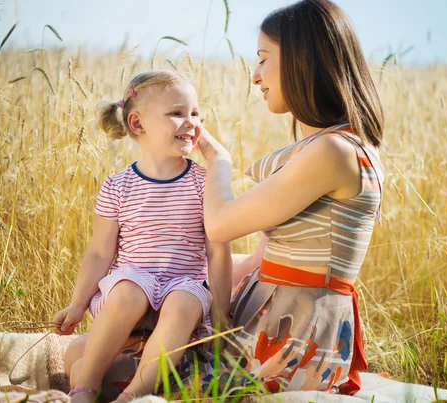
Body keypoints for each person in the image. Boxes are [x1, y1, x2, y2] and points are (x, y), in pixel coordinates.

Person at [177, 0, 385, 395]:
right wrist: (167, 272)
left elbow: (219, 224)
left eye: (263, 59)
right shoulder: (325, 146)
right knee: (107, 352)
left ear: (302, 61)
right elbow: (260, 260)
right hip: (269, 317)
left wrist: (217, 160)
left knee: (121, 372)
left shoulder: (334, 152)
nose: (255, 77)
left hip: (292, 335)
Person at [53, 71, 232, 402]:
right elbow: (98, 253)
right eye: (177, 113)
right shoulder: (118, 185)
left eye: (196, 114)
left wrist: (221, 315)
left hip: (184, 287)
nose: (192, 122)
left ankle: (135, 395)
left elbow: (217, 252)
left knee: (182, 301)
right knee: (129, 290)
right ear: (137, 124)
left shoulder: (202, 182)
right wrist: (78, 305)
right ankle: (85, 387)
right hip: (131, 287)